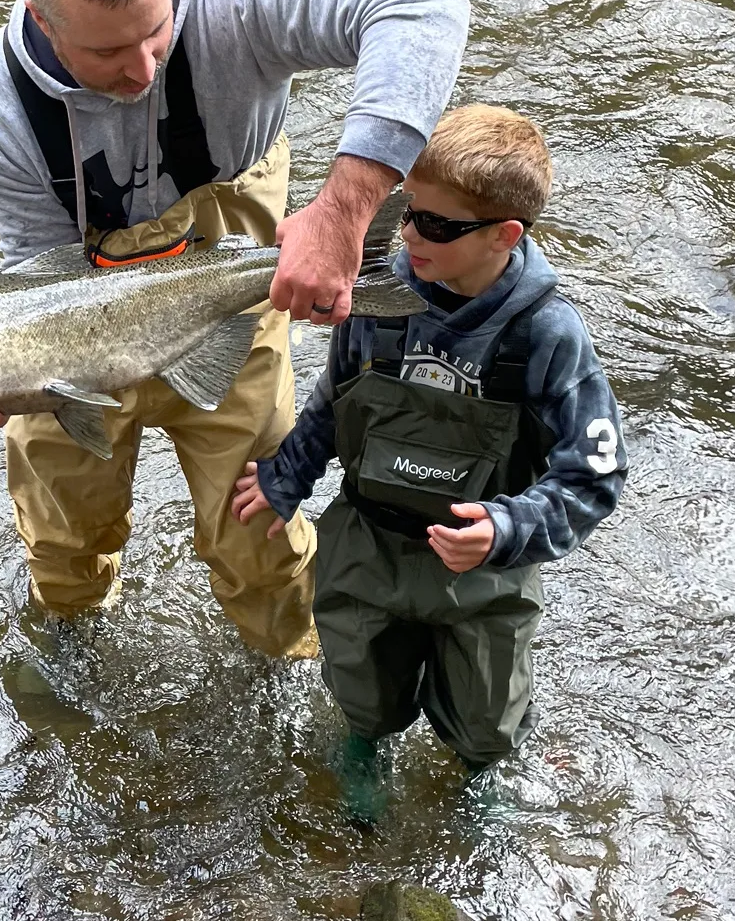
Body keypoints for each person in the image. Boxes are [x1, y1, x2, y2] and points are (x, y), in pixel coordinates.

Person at [0, 0, 470, 658]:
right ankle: (73, 648)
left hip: (235, 278)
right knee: (62, 528)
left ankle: (290, 667)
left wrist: (346, 210)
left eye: (157, 32)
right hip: (77, 309)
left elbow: (428, 9)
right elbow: (38, 289)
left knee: (258, 526)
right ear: (43, 20)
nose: (143, 70)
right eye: (109, 52)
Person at [232, 104, 626, 811]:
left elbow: (593, 475)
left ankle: (481, 782)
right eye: (409, 210)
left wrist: (507, 530)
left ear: (506, 236)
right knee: (359, 678)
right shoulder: (380, 297)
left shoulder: (547, 336)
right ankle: (361, 752)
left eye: (437, 225)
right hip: (370, 539)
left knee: (487, 714)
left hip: (483, 569)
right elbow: (334, 399)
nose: (410, 233)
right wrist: (286, 477)